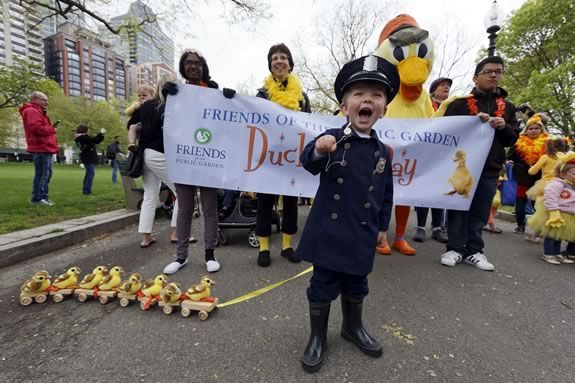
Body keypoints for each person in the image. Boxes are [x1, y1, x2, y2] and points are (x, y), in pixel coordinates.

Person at [296, 54, 399, 373]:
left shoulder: (383, 151)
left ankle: (352, 328)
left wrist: (383, 226)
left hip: (361, 235)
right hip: (329, 233)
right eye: (358, 93)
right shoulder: (333, 138)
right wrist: (318, 149)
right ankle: (317, 336)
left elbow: (385, 192)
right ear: (344, 107)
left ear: (383, 109)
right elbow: (308, 162)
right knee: (322, 285)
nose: (367, 99)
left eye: (376, 94)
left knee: (357, 285)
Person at [435, 56, 518, 271]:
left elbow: (512, 139)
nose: (493, 75)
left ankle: (474, 251)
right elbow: (444, 131)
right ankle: (454, 248)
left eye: (498, 71)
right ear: (475, 77)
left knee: (480, 212)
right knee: (458, 209)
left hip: (490, 169)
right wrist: (471, 123)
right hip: (462, 169)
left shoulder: (508, 107)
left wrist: (503, 126)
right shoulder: (459, 104)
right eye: (488, 71)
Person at [162, 48, 227, 274]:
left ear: (203, 68)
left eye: (198, 63)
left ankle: (210, 254)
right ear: (183, 67)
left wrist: (228, 98)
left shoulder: (213, 90)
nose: (193, 67)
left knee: (210, 208)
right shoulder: (176, 91)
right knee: (184, 208)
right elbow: (168, 120)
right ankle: (181, 257)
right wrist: (166, 97)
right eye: (189, 63)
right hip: (184, 158)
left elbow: (226, 118)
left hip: (207, 159)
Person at [255, 43, 311, 267]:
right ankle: (264, 247)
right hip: (267, 157)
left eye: (283, 57)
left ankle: (287, 245)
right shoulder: (261, 94)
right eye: (274, 58)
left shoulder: (302, 96)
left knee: (290, 201)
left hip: (291, 157)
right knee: (264, 202)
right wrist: (230, 99)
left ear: (290, 63)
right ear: (270, 64)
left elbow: (308, 124)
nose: (279, 61)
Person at [131, 75, 179, 248]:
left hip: (145, 153)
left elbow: (132, 125)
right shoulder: (170, 106)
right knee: (181, 192)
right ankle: (176, 232)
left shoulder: (145, 106)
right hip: (160, 152)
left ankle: (146, 237)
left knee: (150, 195)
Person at [413, 77, 452, 243]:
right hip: (425, 154)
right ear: (434, 89)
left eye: (448, 86)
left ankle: (437, 228)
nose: (447, 88)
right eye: (443, 85)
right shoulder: (424, 103)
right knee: (423, 190)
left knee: (439, 192)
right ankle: (420, 227)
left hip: (443, 155)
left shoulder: (452, 106)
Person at [527, 153, 575, 265]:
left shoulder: (572, 186)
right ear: (563, 174)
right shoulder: (558, 184)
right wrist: (554, 212)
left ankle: (556, 253)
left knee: (559, 236)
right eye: (574, 174)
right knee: (551, 235)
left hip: (568, 215)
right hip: (555, 214)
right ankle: (548, 253)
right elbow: (550, 197)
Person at [507, 113, 548, 234]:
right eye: (531, 128)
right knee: (520, 201)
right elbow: (510, 156)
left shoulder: (547, 143)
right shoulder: (518, 142)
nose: (534, 131)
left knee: (538, 203)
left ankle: (538, 228)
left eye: (536, 128)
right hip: (522, 177)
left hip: (539, 178)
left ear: (541, 129)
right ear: (526, 130)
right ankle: (520, 225)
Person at [19, 91, 59, 206]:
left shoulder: (39, 112)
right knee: (42, 174)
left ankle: (43, 197)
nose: (47, 102)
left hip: (45, 147)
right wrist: (52, 129)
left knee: (47, 173)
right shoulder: (31, 111)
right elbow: (36, 129)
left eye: (46, 100)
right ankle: (37, 199)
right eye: (43, 100)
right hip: (40, 146)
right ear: (34, 100)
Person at [74, 125, 105, 195]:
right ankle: (87, 191)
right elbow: (94, 139)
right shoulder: (82, 137)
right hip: (88, 157)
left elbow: (96, 141)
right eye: (88, 130)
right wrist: (100, 133)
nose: (89, 131)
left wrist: (101, 135)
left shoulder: (82, 137)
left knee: (89, 174)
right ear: (84, 130)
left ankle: (86, 190)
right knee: (90, 174)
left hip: (88, 157)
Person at [126, 84, 155, 153]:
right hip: (138, 124)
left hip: (146, 126)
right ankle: (131, 144)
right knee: (132, 127)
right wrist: (133, 108)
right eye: (139, 96)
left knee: (141, 138)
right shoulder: (137, 104)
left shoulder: (154, 104)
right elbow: (127, 112)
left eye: (144, 95)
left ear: (152, 96)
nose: (141, 97)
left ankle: (138, 146)